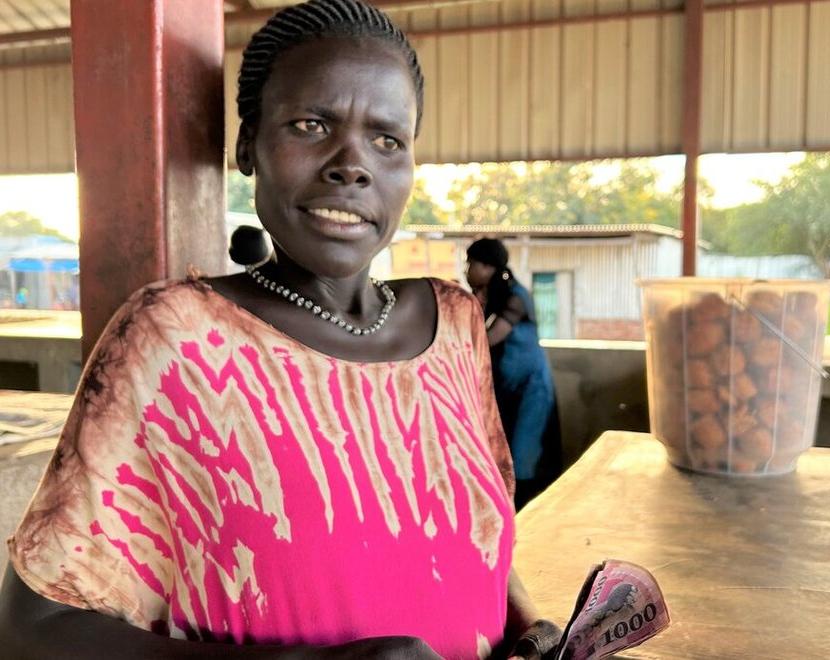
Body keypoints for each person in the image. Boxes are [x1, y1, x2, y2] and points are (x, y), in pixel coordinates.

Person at [0, 2, 562, 658]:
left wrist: (528, 624)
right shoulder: (177, 338)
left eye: (387, 140)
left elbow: (473, 535)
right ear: (249, 146)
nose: (352, 164)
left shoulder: (455, 324)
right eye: (311, 125)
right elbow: (30, 626)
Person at [465, 239, 562, 511]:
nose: (467, 270)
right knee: (503, 453)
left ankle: (526, 515)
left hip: (531, 388)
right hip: (507, 389)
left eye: (471, 264)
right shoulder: (493, 295)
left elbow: (489, 338)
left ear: (488, 267)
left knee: (522, 454)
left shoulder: (516, 297)